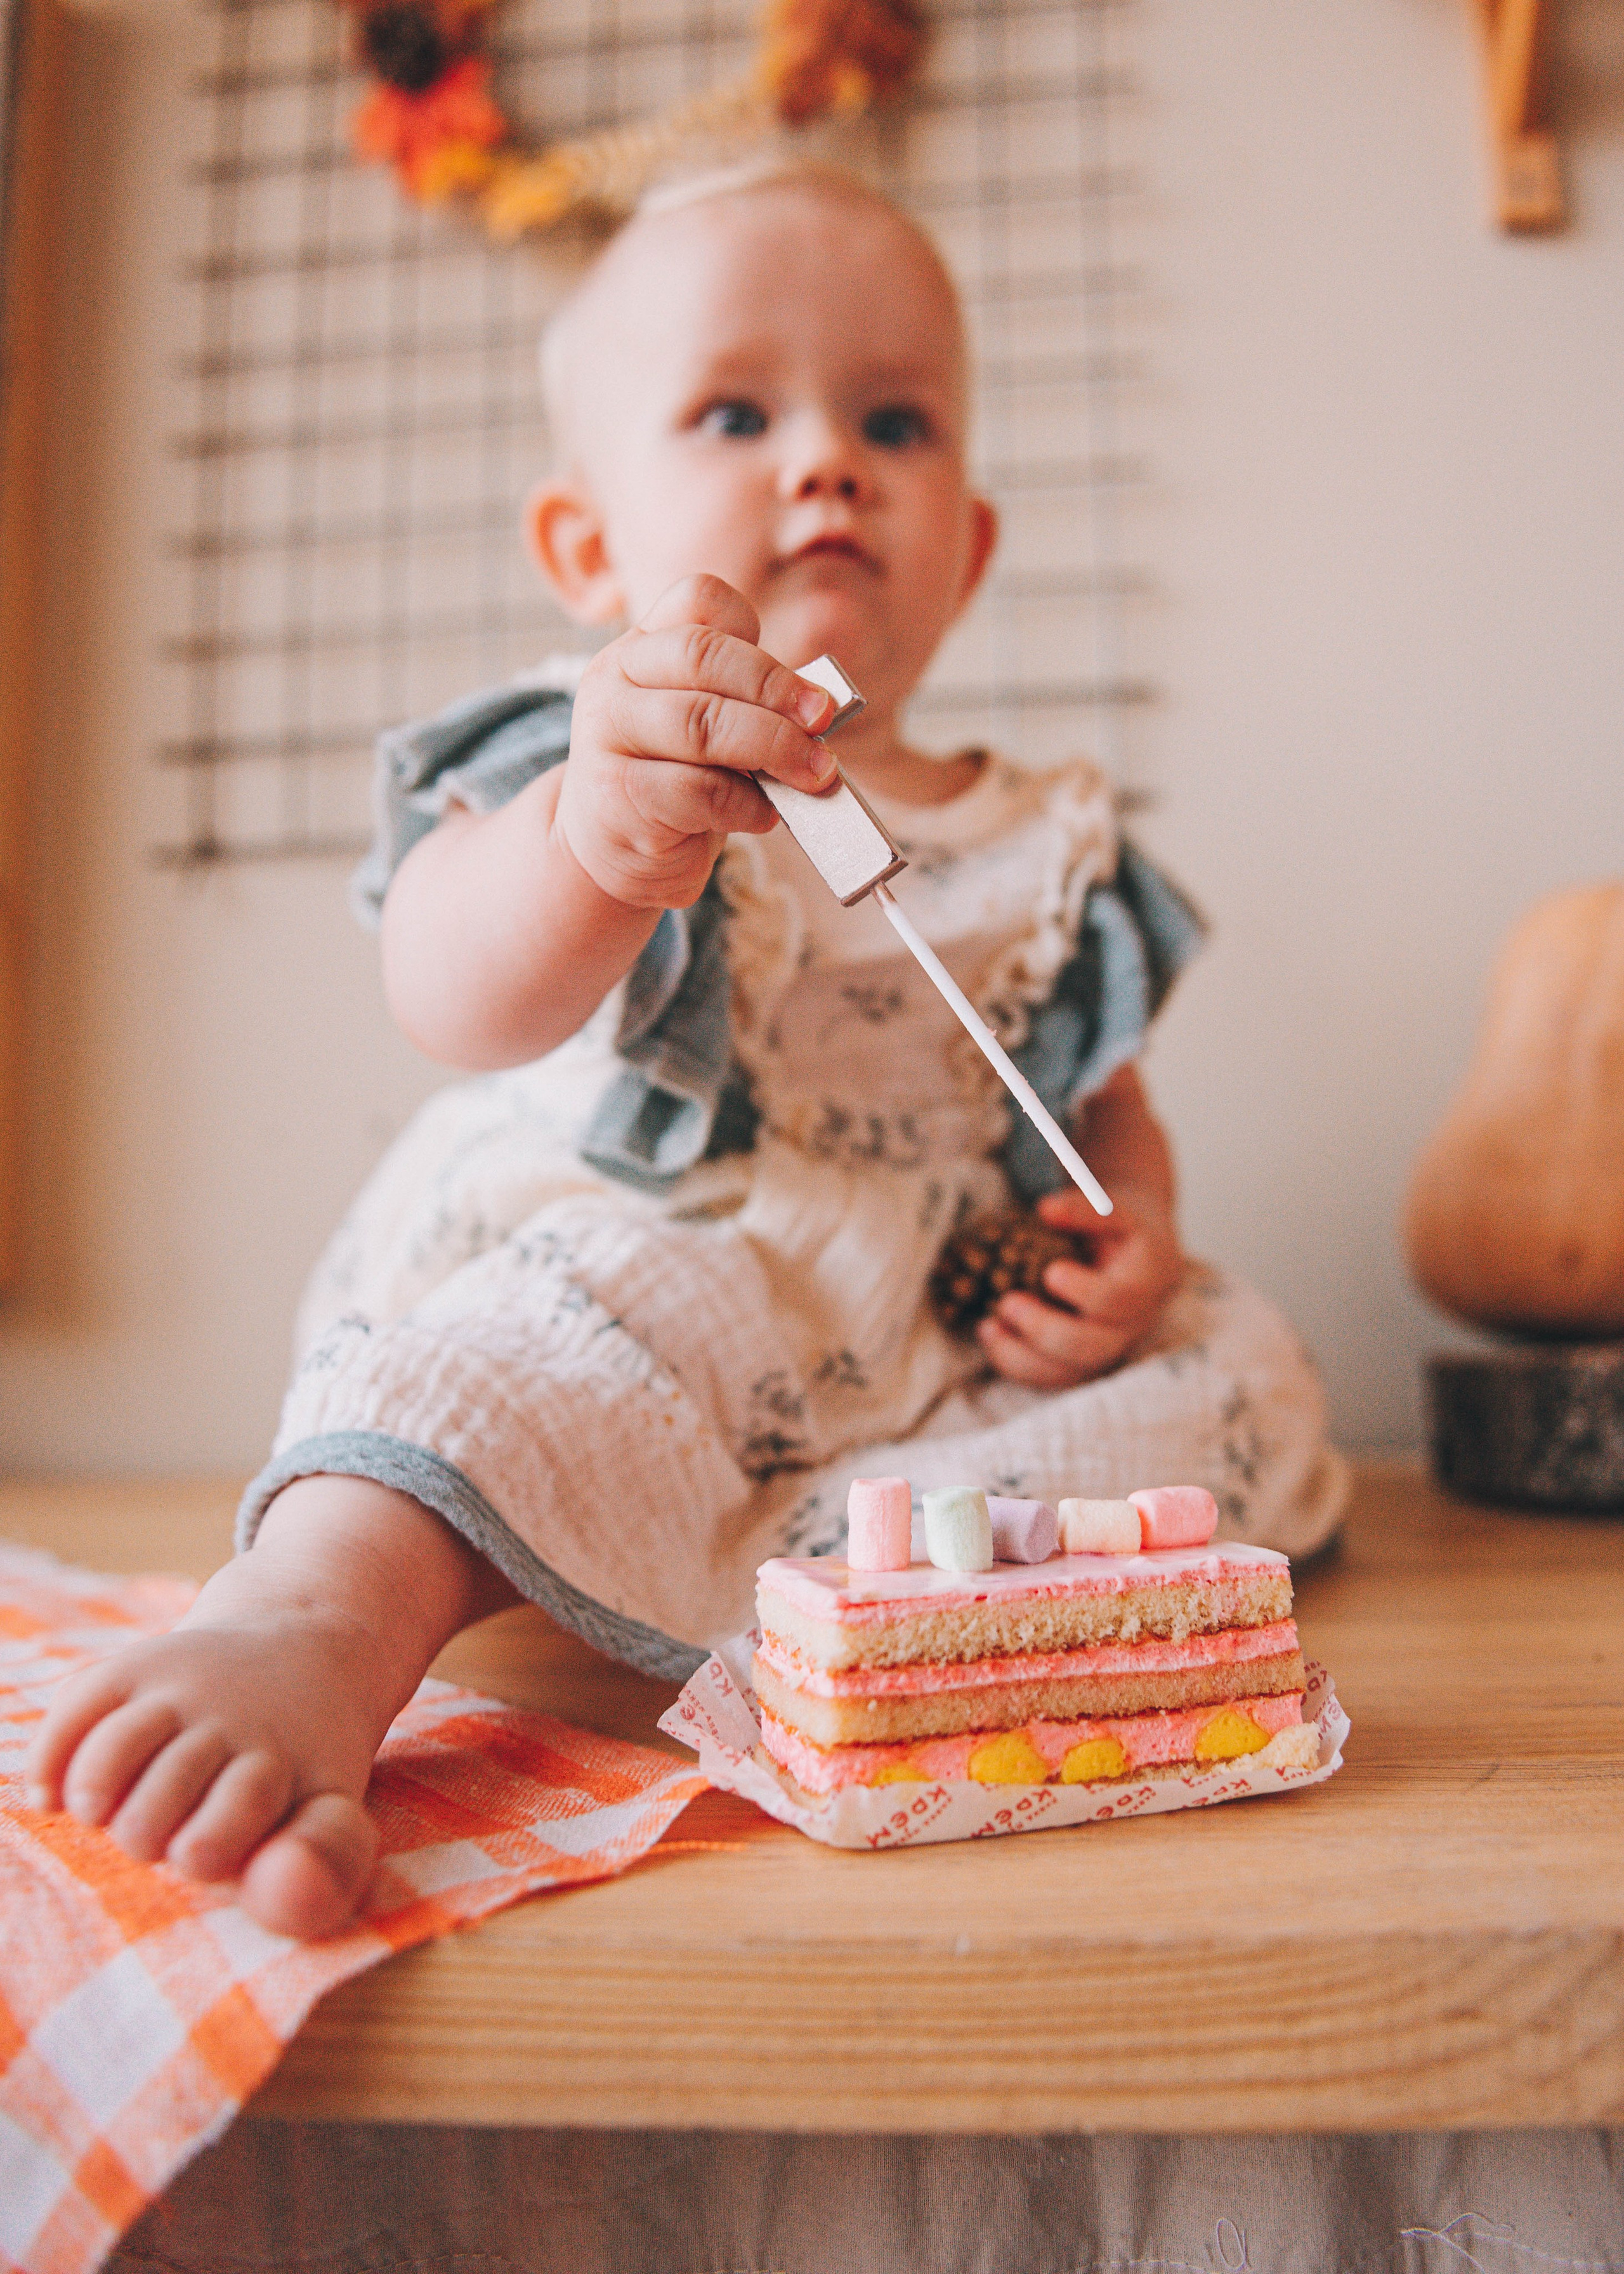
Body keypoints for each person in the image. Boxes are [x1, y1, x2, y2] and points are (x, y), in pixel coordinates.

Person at [28, 166, 1346, 1937]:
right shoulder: (596, 753)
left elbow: (1088, 1086)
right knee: (541, 1357)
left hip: (921, 1324)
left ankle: (914, 1626)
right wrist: (588, 838)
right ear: (587, 548)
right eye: (738, 411)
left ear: (968, 546)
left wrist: (1137, 1237)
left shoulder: (1045, 838)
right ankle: (318, 1628)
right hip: (652, 1246)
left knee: (1240, 1372)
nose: (826, 460)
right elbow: (453, 990)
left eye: (895, 418)